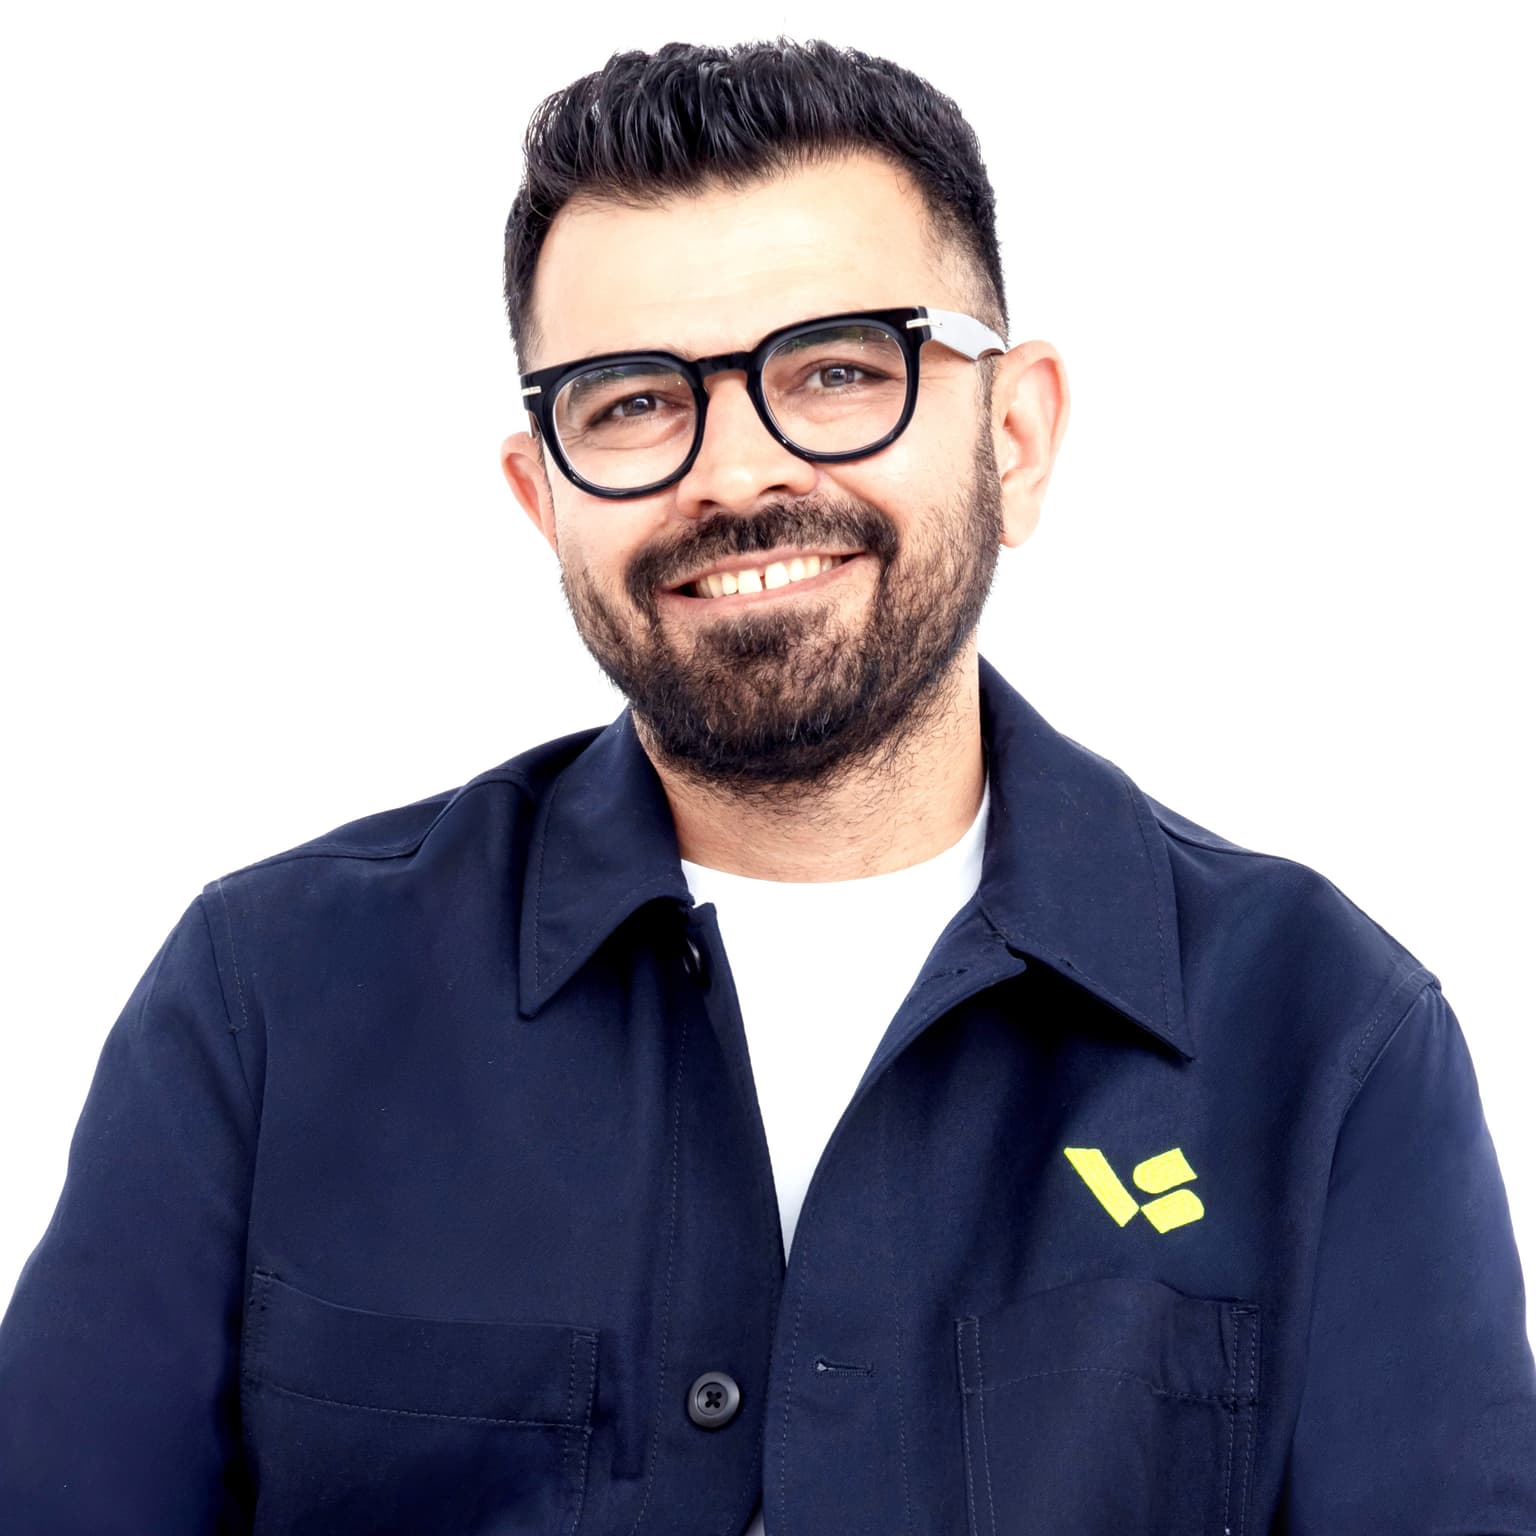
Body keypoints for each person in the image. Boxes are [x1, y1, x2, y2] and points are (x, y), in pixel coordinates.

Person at [1, 34, 1533, 1535]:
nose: (735, 475)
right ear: (543, 497)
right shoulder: (271, 1001)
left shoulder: (1328, 1039)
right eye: (632, 402)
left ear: (1015, 436)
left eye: (840, 369)